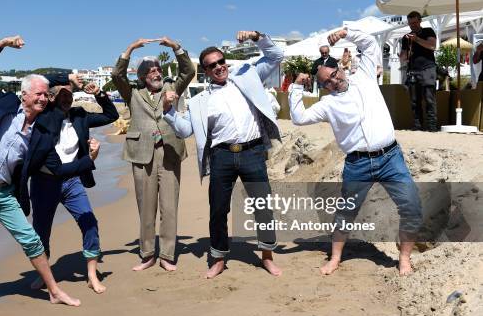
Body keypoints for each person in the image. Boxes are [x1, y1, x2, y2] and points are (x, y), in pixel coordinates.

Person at [0, 35, 80, 316]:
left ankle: (55, 291)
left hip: (2, 193)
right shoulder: (0, 104)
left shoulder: (43, 132)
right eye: (39, 93)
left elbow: (55, 167)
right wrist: (2, 44)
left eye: (47, 95)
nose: (44, 98)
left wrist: (87, 161)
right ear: (23, 95)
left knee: (31, 240)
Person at [288, 28, 422, 276]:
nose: (333, 81)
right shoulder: (327, 105)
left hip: (390, 157)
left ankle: (404, 259)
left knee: (412, 206)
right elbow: (298, 117)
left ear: (340, 68)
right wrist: (296, 88)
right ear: (323, 86)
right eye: (326, 81)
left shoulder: (366, 76)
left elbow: (370, 42)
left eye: (334, 74)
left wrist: (345, 34)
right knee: (346, 213)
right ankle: (335, 258)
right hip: (357, 164)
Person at [163, 30, 283, 279]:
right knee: (218, 209)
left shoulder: (247, 76)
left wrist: (256, 36)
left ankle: (267, 256)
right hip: (222, 157)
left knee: (262, 206)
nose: (219, 67)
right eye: (211, 65)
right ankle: (218, 258)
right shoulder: (200, 101)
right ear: (205, 71)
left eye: (221, 62)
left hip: (253, 151)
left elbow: (275, 56)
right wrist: (169, 111)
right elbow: (186, 130)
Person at [112, 37, 195, 271]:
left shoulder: (171, 88)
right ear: (141, 76)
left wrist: (176, 47)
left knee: (169, 208)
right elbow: (117, 76)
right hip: (141, 154)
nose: (157, 73)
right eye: (151, 71)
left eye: (158, 69)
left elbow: (188, 71)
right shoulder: (132, 93)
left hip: (169, 154)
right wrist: (129, 49)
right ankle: (147, 254)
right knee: (146, 208)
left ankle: (167, 256)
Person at [29, 77, 119, 294]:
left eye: (69, 94)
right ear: (51, 96)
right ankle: (44, 275)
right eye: (61, 95)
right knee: (41, 231)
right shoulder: (44, 117)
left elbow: (111, 115)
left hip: (72, 181)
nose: (66, 99)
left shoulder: (80, 116)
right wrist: (65, 78)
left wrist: (98, 93)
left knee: (89, 222)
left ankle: (91, 275)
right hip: (44, 182)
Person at [400, 11, 438, 131]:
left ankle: (432, 127)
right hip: (412, 70)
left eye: (415, 23)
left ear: (420, 21)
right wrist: (404, 55)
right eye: (410, 24)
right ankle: (417, 126)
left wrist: (417, 40)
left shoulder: (428, 31)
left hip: (428, 68)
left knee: (429, 99)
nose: (413, 25)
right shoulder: (406, 38)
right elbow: (403, 57)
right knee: (414, 101)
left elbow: (432, 46)